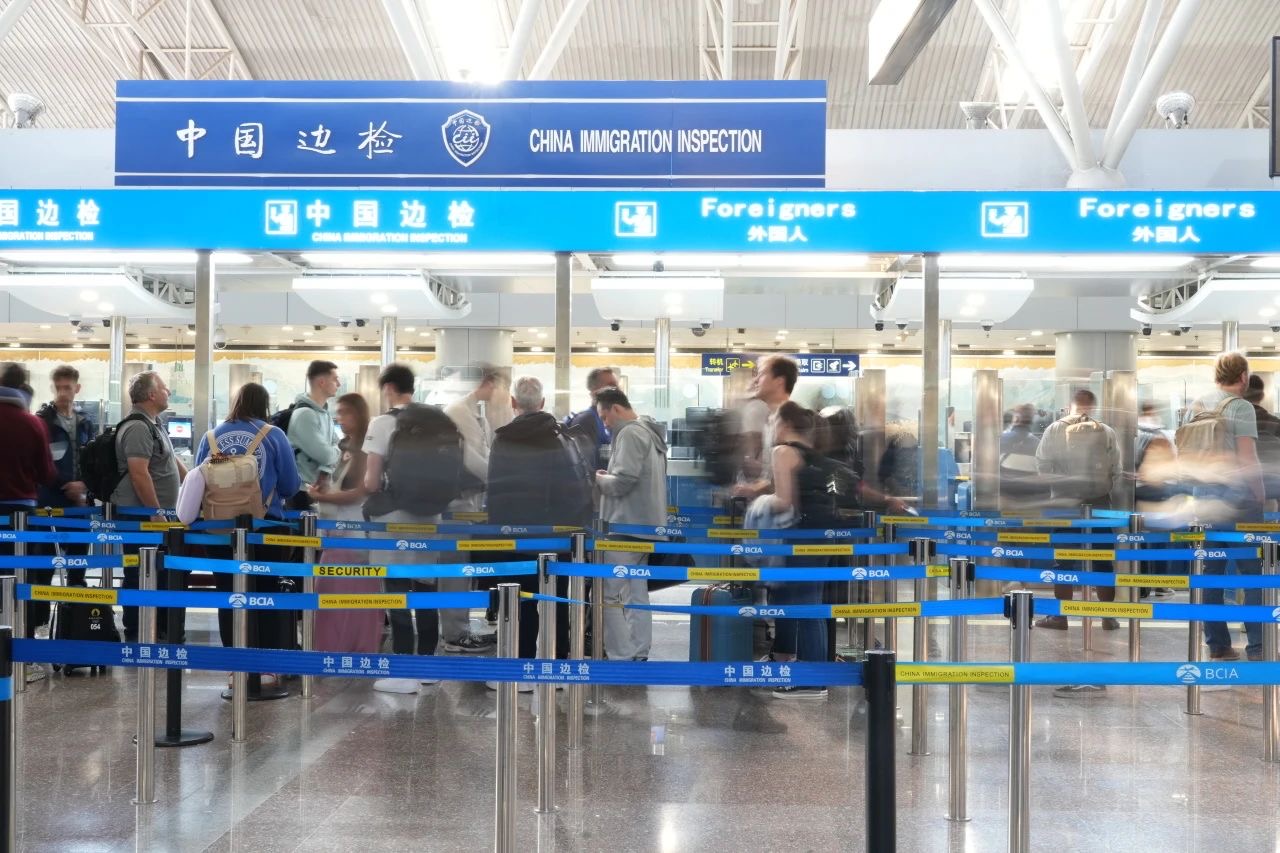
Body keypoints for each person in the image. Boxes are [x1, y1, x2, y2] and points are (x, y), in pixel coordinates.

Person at [179, 382, 301, 655]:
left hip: (218, 531)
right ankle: (267, 666)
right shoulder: (274, 435)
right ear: (264, 405)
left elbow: (198, 482)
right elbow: (290, 485)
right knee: (266, 594)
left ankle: (235, 665)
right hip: (266, 529)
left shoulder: (210, 437)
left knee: (229, 595)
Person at [486, 376, 582, 674]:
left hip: (516, 536)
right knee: (557, 600)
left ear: (513, 402)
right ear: (542, 403)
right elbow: (574, 489)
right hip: (556, 537)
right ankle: (559, 665)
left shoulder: (502, 440)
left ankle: (523, 666)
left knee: (521, 601)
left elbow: (494, 492)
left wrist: (498, 535)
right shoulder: (561, 438)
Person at [362, 364, 443, 694]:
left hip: (393, 519)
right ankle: (428, 666)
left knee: (396, 589)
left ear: (389, 388)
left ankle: (403, 670)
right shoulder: (436, 421)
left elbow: (371, 481)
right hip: (429, 516)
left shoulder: (382, 423)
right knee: (425, 589)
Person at [1181, 352, 1265, 661]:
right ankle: (1258, 646)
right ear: (1243, 376)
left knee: (1210, 573)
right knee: (1253, 573)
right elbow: (1247, 458)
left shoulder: (1198, 405)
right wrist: (1260, 493)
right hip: (1239, 502)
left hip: (1203, 500)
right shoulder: (1241, 407)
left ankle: (1217, 644)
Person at [1033, 389, 1122, 638]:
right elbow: (1117, 468)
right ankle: (1107, 616)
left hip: (1065, 503)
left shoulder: (1054, 429)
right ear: (1093, 407)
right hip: (1100, 503)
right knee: (1103, 559)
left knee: (1064, 560)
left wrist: (1059, 486)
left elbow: (1041, 465)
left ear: (1069, 405)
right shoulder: (1106, 431)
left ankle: (1060, 616)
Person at [594, 387, 667, 662]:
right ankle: (638, 651)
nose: (605, 424)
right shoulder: (649, 432)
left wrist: (599, 479)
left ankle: (620, 655)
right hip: (646, 526)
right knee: (636, 593)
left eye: (604, 417)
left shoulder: (629, 433)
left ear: (616, 408)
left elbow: (623, 481)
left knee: (608, 593)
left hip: (625, 526)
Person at [113, 371, 185, 643]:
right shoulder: (137, 428)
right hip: (142, 519)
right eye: (165, 388)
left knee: (159, 574)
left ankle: (159, 629)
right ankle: (138, 632)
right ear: (152, 394)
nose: (169, 392)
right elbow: (139, 474)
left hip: (159, 517)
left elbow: (171, 462)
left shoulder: (154, 424)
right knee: (139, 574)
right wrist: (154, 512)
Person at [308, 393, 383, 654]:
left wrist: (323, 496)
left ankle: (351, 649)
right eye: (337, 412)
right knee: (333, 592)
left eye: (344, 412)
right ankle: (337, 648)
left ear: (358, 415)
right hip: (338, 532)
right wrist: (324, 489)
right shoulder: (345, 449)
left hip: (354, 534)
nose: (339, 418)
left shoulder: (364, 450)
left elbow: (360, 492)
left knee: (348, 593)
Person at [29, 366, 96, 637]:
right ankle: (39, 622)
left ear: (77, 388)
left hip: (80, 505)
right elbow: (39, 463)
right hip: (50, 502)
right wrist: (66, 486)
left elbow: (92, 461)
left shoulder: (86, 422)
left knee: (78, 565)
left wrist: (84, 486)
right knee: (44, 565)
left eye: (67, 387)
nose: (63, 393)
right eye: (58, 387)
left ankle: (74, 623)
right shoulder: (42, 421)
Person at [439, 366, 502, 654]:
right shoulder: (457, 411)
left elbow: (484, 452)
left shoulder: (475, 412)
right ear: (485, 383)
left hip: (470, 502)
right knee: (454, 570)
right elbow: (470, 458)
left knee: (461, 569)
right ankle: (454, 634)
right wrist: (500, 479)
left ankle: (459, 629)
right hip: (455, 503)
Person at [0, 365, 54, 680]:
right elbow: (46, 472)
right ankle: (22, 654)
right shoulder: (32, 423)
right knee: (21, 579)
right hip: (20, 512)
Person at [733, 356, 798, 499]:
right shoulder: (771, 419)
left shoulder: (789, 421)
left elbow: (788, 477)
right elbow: (771, 475)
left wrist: (754, 490)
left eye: (761, 374)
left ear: (779, 382)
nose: (755, 380)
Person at [287, 360, 342, 488]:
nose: (339, 384)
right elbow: (326, 456)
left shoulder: (325, 413)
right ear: (322, 382)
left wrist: (327, 466)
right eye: (335, 379)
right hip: (302, 490)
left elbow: (337, 444)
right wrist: (337, 452)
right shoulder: (305, 415)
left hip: (318, 488)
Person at [564, 367, 619, 469]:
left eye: (617, 386)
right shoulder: (586, 421)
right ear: (595, 391)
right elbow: (585, 467)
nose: (617, 390)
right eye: (612, 386)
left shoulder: (613, 419)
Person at [999, 403, 1047, 506]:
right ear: (1032, 421)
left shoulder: (1001, 440)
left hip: (1005, 498)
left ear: (1016, 418)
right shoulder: (1038, 444)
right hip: (1031, 500)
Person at [1244, 374, 1280, 505]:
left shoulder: (1233, 423)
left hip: (1244, 490)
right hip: (1274, 489)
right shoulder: (1276, 423)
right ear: (1262, 396)